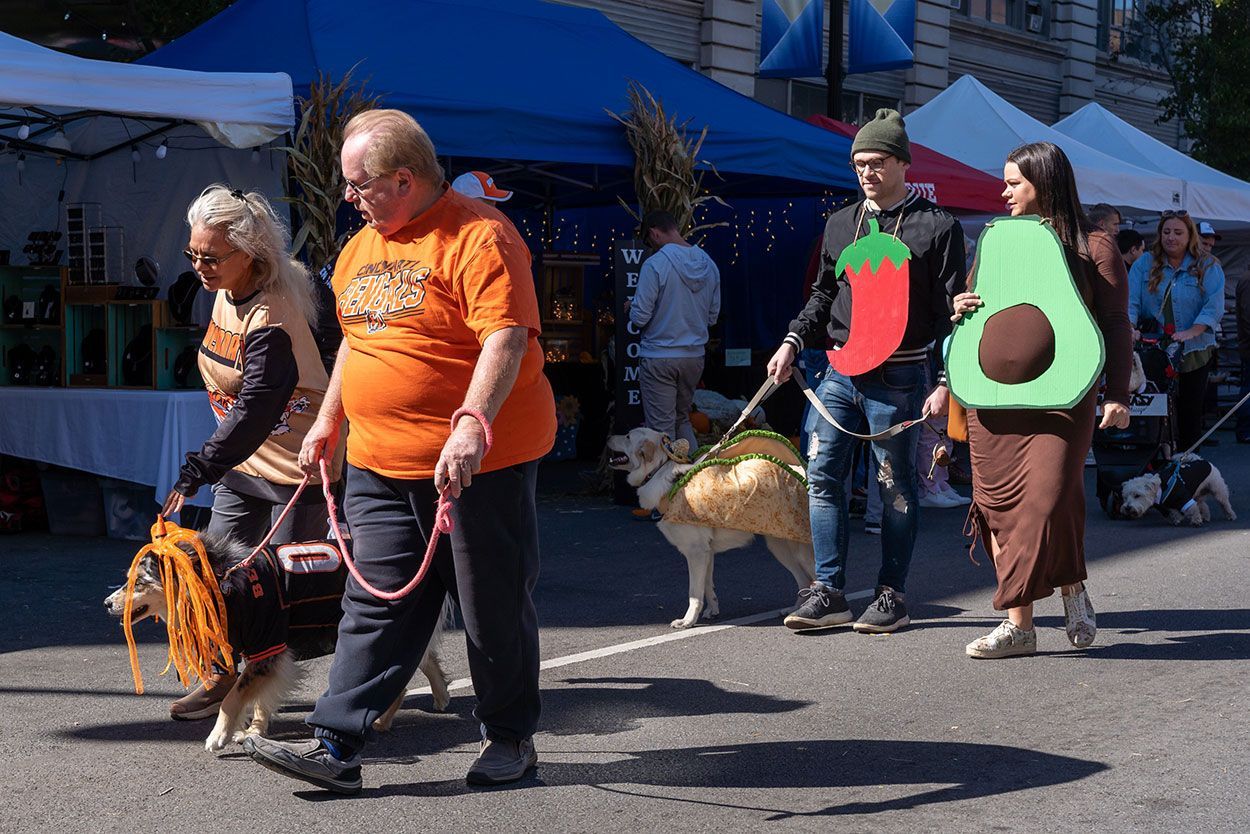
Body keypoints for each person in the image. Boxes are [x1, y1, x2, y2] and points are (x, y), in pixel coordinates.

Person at [241, 109, 555, 794]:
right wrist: (328, 421)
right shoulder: (361, 248)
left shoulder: (480, 236)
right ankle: (336, 744)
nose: (348, 196)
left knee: (491, 606)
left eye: (359, 184)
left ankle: (510, 738)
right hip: (380, 461)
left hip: (479, 465)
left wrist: (472, 424)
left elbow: (506, 337)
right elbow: (358, 344)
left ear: (404, 180)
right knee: (372, 603)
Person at [767, 108, 965, 635]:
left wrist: (946, 382)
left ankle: (891, 595)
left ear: (902, 163)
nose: (867, 173)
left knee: (894, 485)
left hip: (900, 375)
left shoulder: (938, 226)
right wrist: (791, 342)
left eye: (877, 162)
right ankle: (828, 591)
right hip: (839, 370)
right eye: (859, 164)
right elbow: (821, 295)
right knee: (822, 475)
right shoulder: (840, 223)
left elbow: (953, 313)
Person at [161, 184, 343, 719]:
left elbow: (257, 407)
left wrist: (196, 469)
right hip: (242, 465)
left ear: (250, 254)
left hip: (294, 471)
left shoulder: (273, 314)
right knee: (216, 580)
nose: (200, 267)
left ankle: (273, 700)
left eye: (212, 257)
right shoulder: (226, 289)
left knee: (281, 594)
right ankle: (221, 676)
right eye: (193, 254)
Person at [955, 142, 1132, 659]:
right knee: (998, 509)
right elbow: (976, 301)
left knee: (1048, 499)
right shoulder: (997, 238)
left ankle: (1070, 582)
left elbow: (1116, 323)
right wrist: (961, 305)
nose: (1003, 192)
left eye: (1014, 182)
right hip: (991, 397)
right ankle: (1020, 627)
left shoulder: (1094, 245)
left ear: (1044, 181)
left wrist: (1118, 394)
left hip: (1063, 395)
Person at [1128, 210, 1226, 450]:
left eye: (1178, 232)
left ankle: (1188, 465)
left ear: (1190, 235)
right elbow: (1131, 301)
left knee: (1190, 414)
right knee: (1153, 413)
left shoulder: (1208, 265)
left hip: (1194, 350)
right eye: (1166, 232)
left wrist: (1194, 330)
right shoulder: (1144, 263)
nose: (1171, 237)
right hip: (1154, 350)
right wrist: (1130, 327)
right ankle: (1155, 466)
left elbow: (1214, 304)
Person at [630, 209, 721, 451]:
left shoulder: (655, 264)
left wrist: (631, 306)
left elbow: (640, 317)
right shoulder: (709, 264)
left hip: (659, 357)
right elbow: (712, 317)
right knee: (682, 420)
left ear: (654, 233)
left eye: (648, 241)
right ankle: (695, 473)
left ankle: (667, 477)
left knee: (661, 432)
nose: (651, 246)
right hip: (693, 358)